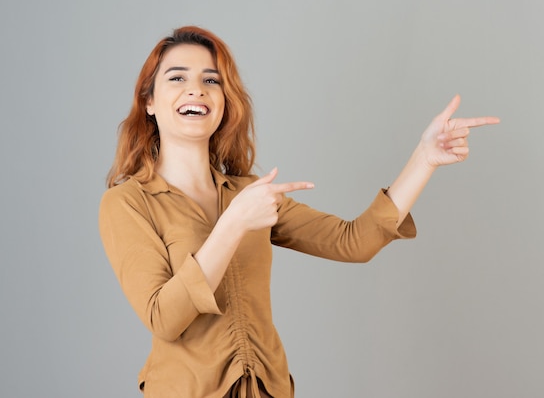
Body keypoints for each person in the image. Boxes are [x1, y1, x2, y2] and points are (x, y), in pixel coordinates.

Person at [98, 25, 500, 398]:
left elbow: (353, 243)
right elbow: (164, 318)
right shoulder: (127, 203)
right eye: (177, 78)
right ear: (148, 101)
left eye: (211, 80)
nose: (196, 90)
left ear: (224, 100)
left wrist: (424, 159)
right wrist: (234, 223)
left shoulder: (250, 193)